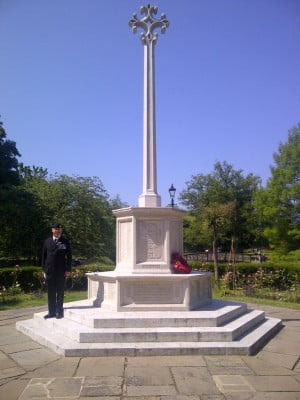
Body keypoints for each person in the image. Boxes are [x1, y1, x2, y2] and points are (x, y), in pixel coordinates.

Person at [42, 223, 72, 319]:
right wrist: (44, 270)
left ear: (61, 230)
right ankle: (51, 312)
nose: (57, 231)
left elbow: (69, 257)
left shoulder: (65, 241)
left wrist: (68, 269)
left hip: (61, 271)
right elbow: (44, 256)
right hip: (50, 271)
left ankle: (59, 312)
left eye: (59, 229)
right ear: (52, 230)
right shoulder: (47, 241)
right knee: (51, 292)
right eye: (55, 229)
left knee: (60, 292)